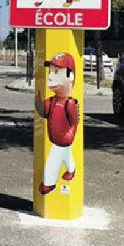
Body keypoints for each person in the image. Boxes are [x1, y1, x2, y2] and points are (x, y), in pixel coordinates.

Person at [35, 53, 79, 195]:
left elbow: (74, 121)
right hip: (58, 138)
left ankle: (49, 184)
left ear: (70, 76)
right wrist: (37, 99)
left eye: (56, 72)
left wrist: (70, 133)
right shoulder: (52, 100)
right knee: (66, 156)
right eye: (51, 72)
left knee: (53, 159)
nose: (51, 77)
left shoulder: (69, 102)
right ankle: (71, 170)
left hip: (63, 139)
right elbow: (43, 111)